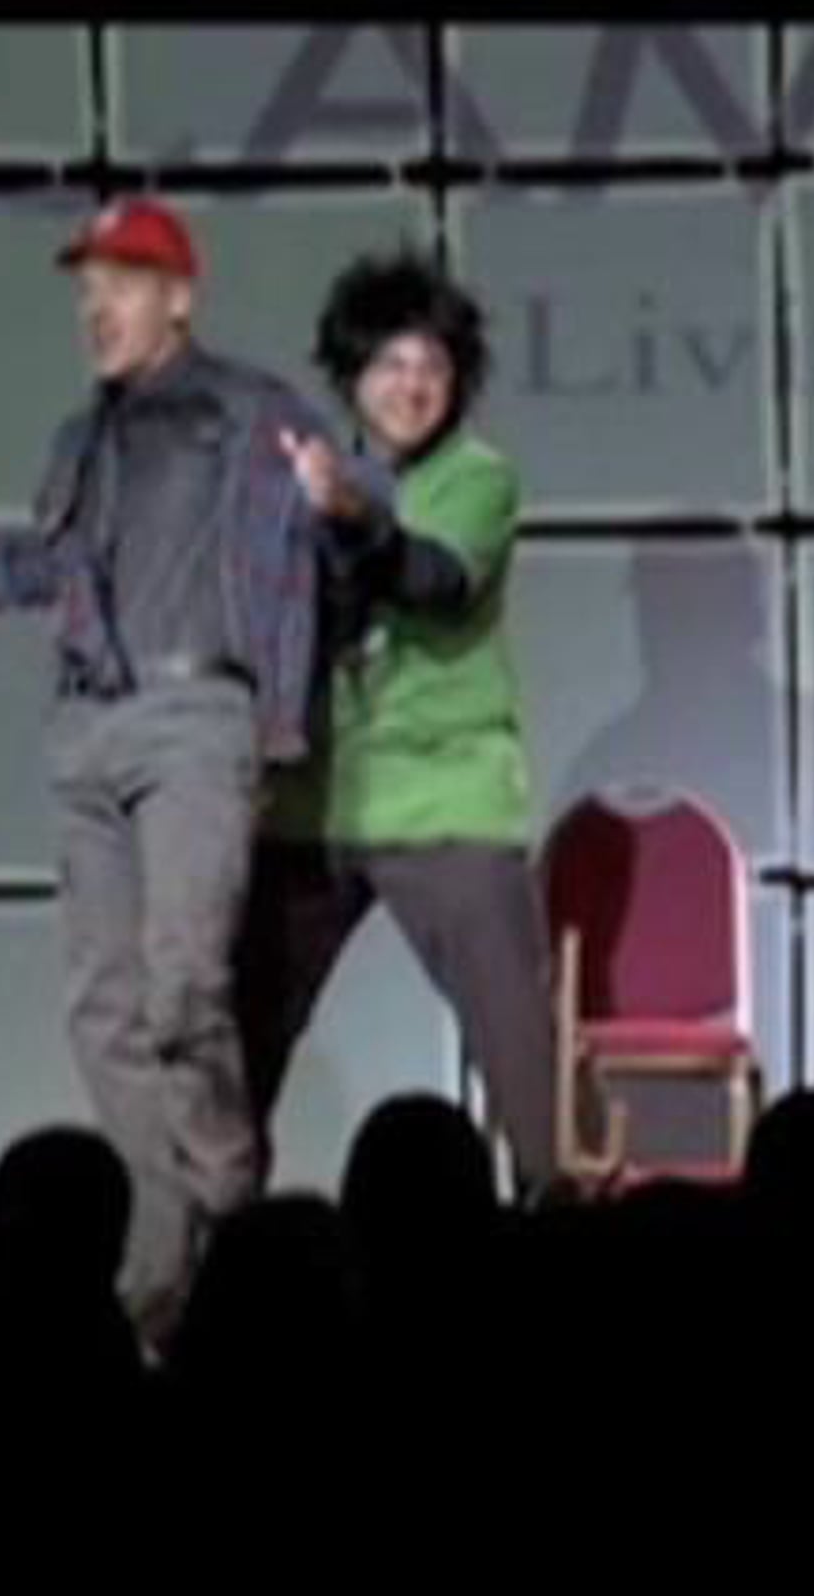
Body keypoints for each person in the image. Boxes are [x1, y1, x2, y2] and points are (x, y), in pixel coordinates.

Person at [0, 197, 330, 1348]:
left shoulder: (246, 411)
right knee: (104, 1012)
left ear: (179, 298)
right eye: (88, 288)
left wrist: (337, 516)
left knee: (183, 983)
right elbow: (45, 573)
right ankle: (161, 1271)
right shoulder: (78, 441)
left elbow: (337, 516)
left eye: (123, 284)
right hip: (90, 726)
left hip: (196, 715)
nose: (98, 306)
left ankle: (232, 1206)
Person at [237, 248, 559, 1197]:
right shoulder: (300, 478)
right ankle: (214, 1248)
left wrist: (352, 517)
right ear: (351, 375)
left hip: (445, 797)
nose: (412, 386)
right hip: (315, 801)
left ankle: (563, 1229)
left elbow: (437, 578)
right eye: (390, 364)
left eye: (433, 368)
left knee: (520, 1060)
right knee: (237, 1053)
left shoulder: (478, 480)